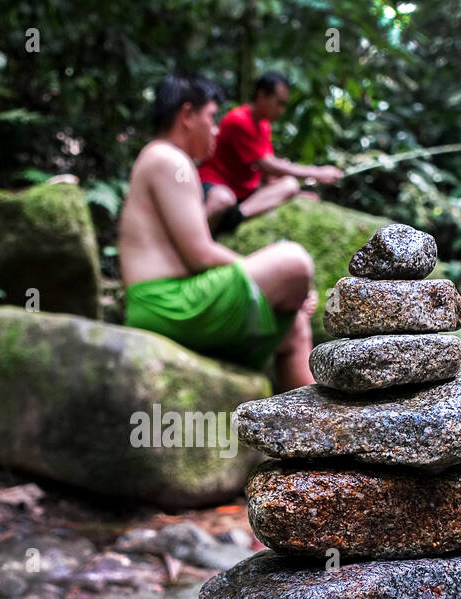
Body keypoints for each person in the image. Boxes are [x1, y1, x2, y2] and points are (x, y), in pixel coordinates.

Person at [119, 74, 316, 391]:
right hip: (166, 304)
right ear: (186, 116)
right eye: (211, 118)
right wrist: (275, 275)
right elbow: (200, 254)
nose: (215, 130)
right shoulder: (167, 158)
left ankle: (318, 430)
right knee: (294, 262)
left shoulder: (165, 160)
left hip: (176, 302)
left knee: (294, 325)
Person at [199, 71, 343, 235]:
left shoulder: (264, 125)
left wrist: (296, 194)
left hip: (243, 195)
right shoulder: (239, 120)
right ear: (262, 95)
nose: (281, 110)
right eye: (278, 103)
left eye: (284, 105)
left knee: (290, 184)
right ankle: (211, 230)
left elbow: (267, 174)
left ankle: (235, 216)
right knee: (221, 199)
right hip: (216, 185)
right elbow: (268, 164)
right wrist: (317, 172)